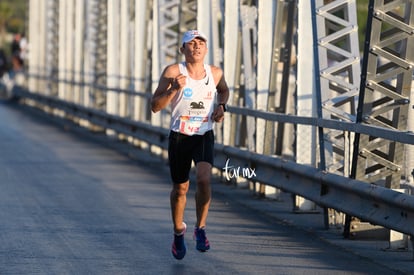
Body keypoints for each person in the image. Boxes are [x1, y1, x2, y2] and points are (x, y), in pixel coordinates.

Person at [151, 30, 229, 260]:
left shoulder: (214, 73)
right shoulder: (174, 72)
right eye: (191, 43)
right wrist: (174, 89)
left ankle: (201, 229)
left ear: (206, 49)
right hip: (180, 136)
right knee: (180, 189)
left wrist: (222, 107)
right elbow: (155, 106)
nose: (196, 47)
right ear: (182, 49)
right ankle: (178, 232)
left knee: (204, 178)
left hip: (203, 134)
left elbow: (223, 91)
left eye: (201, 43)